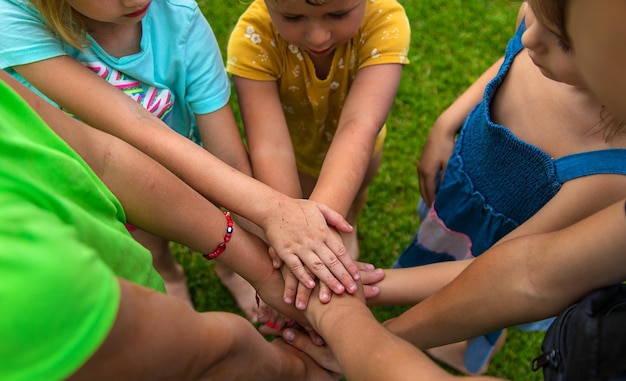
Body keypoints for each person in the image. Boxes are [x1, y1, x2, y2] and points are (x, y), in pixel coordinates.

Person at [0, 0, 363, 315]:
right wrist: (274, 211)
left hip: (189, 166)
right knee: (147, 243)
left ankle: (229, 269)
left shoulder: (182, 20)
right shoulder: (14, 17)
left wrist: (273, 249)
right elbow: (133, 124)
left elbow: (229, 158)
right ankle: (169, 274)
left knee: (211, 218)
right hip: (103, 186)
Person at [0, 69, 341, 381]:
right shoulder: (28, 282)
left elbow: (101, 158)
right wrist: (297, 368)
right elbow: (213, 354)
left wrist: (261, 272)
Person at [390, 0, 626, 374]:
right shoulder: (544, 24)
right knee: (440, 245)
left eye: (564, 43)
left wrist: (375, 284)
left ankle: (464, 345)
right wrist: (446, 123)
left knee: (476, 304)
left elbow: (504, 272)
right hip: (462, 192)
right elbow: (510, 57)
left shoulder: (610, 170)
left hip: (501, 250)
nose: (531, 35)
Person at [226, 0, 410, 263]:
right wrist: (293, 226)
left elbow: (359, 124)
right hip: (293, 156)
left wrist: (317, 231)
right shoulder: (254, 39)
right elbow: (270, 147)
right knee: (300, 204)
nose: (318, 36)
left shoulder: (384, 22)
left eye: (338, 14)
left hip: (361, 148)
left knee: (356, 191)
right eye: (292, 18)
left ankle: (349, 226)